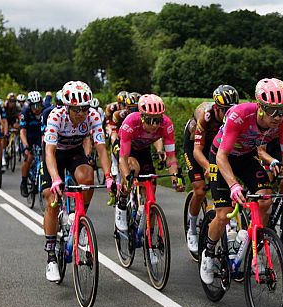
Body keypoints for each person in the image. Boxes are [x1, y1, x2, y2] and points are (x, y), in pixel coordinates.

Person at [199, 78, 283, 284]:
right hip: (221, 156)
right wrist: (234, 185)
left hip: (246, 157)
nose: (278, 117)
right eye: (272, 110)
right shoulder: (240, 114)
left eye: (282, 110)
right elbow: (221, 157)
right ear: (260, 106)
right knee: (224, 214)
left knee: (265, 201)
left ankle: (249, 242)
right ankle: (208, 253)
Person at [42, 81, 112, 281]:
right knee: (51, 199)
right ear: (67, 107)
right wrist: (55, 179)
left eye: (85, 108)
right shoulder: (56, 116)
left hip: (74, 152)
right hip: (54, 154)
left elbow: (100, 148)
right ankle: (51, 258)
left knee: (87, 178)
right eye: (76, 110)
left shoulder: (93, 116)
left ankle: (79, 220)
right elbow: (49, 152)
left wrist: (108, 177)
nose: (81, 113)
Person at [113, 94, 182, 235]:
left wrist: (175, 178)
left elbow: (171, 157)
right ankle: (122, 201)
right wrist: (127, 177)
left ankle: (148, 233)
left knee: (151, 188)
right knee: (133, 169)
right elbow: (123, 159)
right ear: (142, 117)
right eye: (150, 120)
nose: (155, 125)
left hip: (143, 150)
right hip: (125, 149)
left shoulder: (167, 124)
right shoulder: (130, 122)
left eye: (158, 120)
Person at [182, 84, 239, 254]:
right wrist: (208, 167)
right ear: (216, 107)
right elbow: (197, 151)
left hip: (216, 145)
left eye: (232, 109)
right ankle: (192, 228)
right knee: (199, 190)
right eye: (224, 110)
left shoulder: (233, 117)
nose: (228, 114)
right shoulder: (205, 116)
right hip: (195, 144)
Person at [19, 90, 44, 197]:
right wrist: (26, 146)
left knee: (45, 156)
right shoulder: (25, 111)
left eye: (38, 105)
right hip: (28, 136)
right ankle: (23, 182)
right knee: (29, 157)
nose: (36, 109)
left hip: (40, 135)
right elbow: (22, 131)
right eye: (34, 106)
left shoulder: (45, 110)